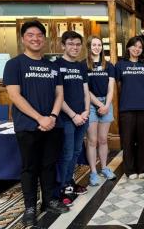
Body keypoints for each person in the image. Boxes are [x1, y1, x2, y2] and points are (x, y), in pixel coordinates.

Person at [3, 20, 69, 227]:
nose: (36, 38)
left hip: (52, 125)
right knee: (29, 168)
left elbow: (60, 94)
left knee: (49, 165)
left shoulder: (52, 66)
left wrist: (52, 116)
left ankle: (48, 201)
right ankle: (30, 206)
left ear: (45, 39)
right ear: (23, 39)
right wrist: (40, 118)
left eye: (40, 35)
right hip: (28, 126)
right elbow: (14, 95)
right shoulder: (14, 64)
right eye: (31, 35)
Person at [54, 31, 90, 206]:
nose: (74, 47)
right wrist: (73, 115)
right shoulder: (56, 65)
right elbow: (57, 96)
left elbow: (85, 91)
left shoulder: (81, 66)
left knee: (76, 152)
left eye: (77, 44)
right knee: (66, 154)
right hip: (66, 118)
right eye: (70, 44)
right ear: (63, 45)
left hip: (82, 117)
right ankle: (63, 187)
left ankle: (70, 182)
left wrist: (86, 112)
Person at [115, 36, 144, 179]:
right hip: (126, 108)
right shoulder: (120, 65)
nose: (137, 49)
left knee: (143, 140)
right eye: (134, 46)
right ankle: (129, 169)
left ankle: (142, 168)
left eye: (140, 47)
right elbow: (114, 85)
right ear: (128, 47)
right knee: (128, 140)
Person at [85, 36, 116, 186]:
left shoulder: (109, 66)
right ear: (89, 47)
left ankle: (104, 167)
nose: (97, 47)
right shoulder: (83, 65)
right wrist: (98, 105)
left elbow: (111, 88)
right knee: (92, 140)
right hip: (90, 103)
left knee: (103, 139)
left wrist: (106, 105)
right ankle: (93, 172)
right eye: (94, 45)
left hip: (106, 103)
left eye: (99, 45)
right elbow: (85, 90)